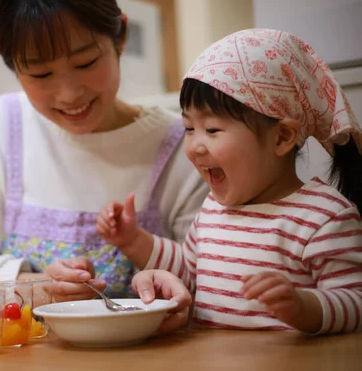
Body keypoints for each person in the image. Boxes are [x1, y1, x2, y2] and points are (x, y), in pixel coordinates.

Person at [0, 0, 206, 316]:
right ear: (13, 65)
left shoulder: (182, 147)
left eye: (86, 62)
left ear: (119, 37)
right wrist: (34, 286)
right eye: (41, 74)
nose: (69, 94)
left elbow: (211, 277)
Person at [98, 28, 362, 334]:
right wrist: (133, 240)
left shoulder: (324, 217)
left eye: (211, 130)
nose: (195, 146)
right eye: (189, 128)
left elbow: (355, 301)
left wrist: (304, 306)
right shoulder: (213, 209)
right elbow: (188, 269)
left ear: (282, 137)